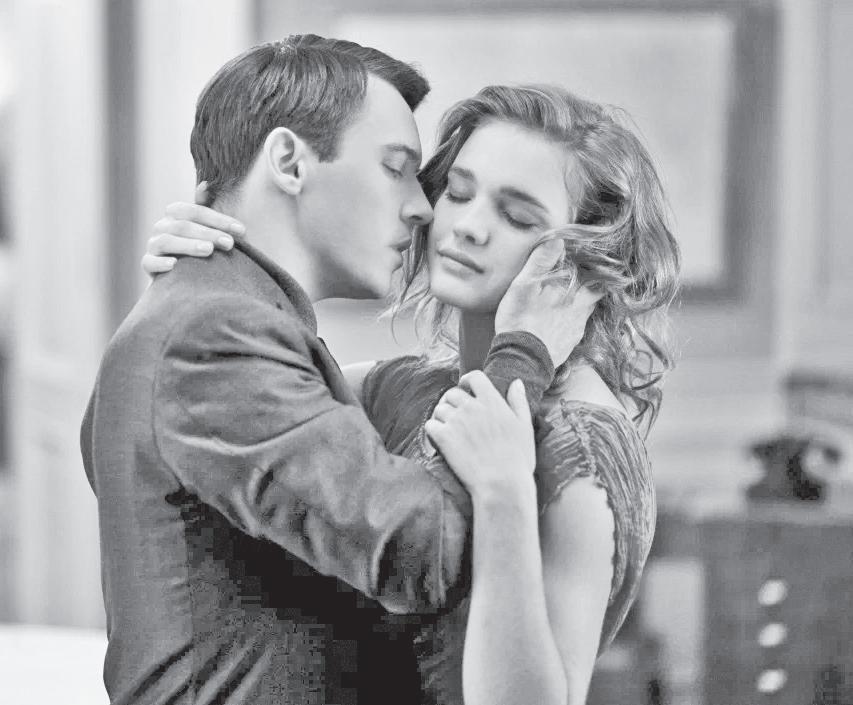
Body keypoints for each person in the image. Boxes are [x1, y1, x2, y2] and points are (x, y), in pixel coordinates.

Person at [82, 36, 596, 705]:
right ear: (289, 161)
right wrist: (525, 348)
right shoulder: (215, 334)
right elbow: (428, 548)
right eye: (395, 168)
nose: (422, 209)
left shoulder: (221, 315)